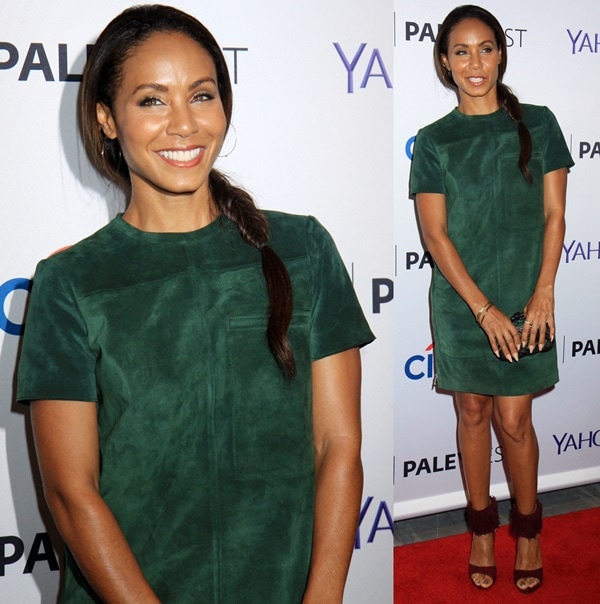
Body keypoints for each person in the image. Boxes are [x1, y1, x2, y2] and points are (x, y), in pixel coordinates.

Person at [16, 5, 374, 602]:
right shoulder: (70, 282)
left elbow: (338, 446)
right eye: (152, 101)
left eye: (202, 96)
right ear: (107, 118)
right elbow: (71, 496)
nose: (184, 124)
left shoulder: (303, 248)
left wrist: (324, 596)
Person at [410, 4, 573, 595]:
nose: (474, 63)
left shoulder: (541, 122)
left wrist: (544, 293)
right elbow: (435, 235)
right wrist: (482, 311)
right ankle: (481, 528)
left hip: (531, 300)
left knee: (515, 418)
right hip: (462, 303)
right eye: (460, 52)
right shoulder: (434, 141)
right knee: (473, 413)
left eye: (484, 49)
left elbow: (555, 215)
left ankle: (527, 531)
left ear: (501, 53)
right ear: (444, 63)